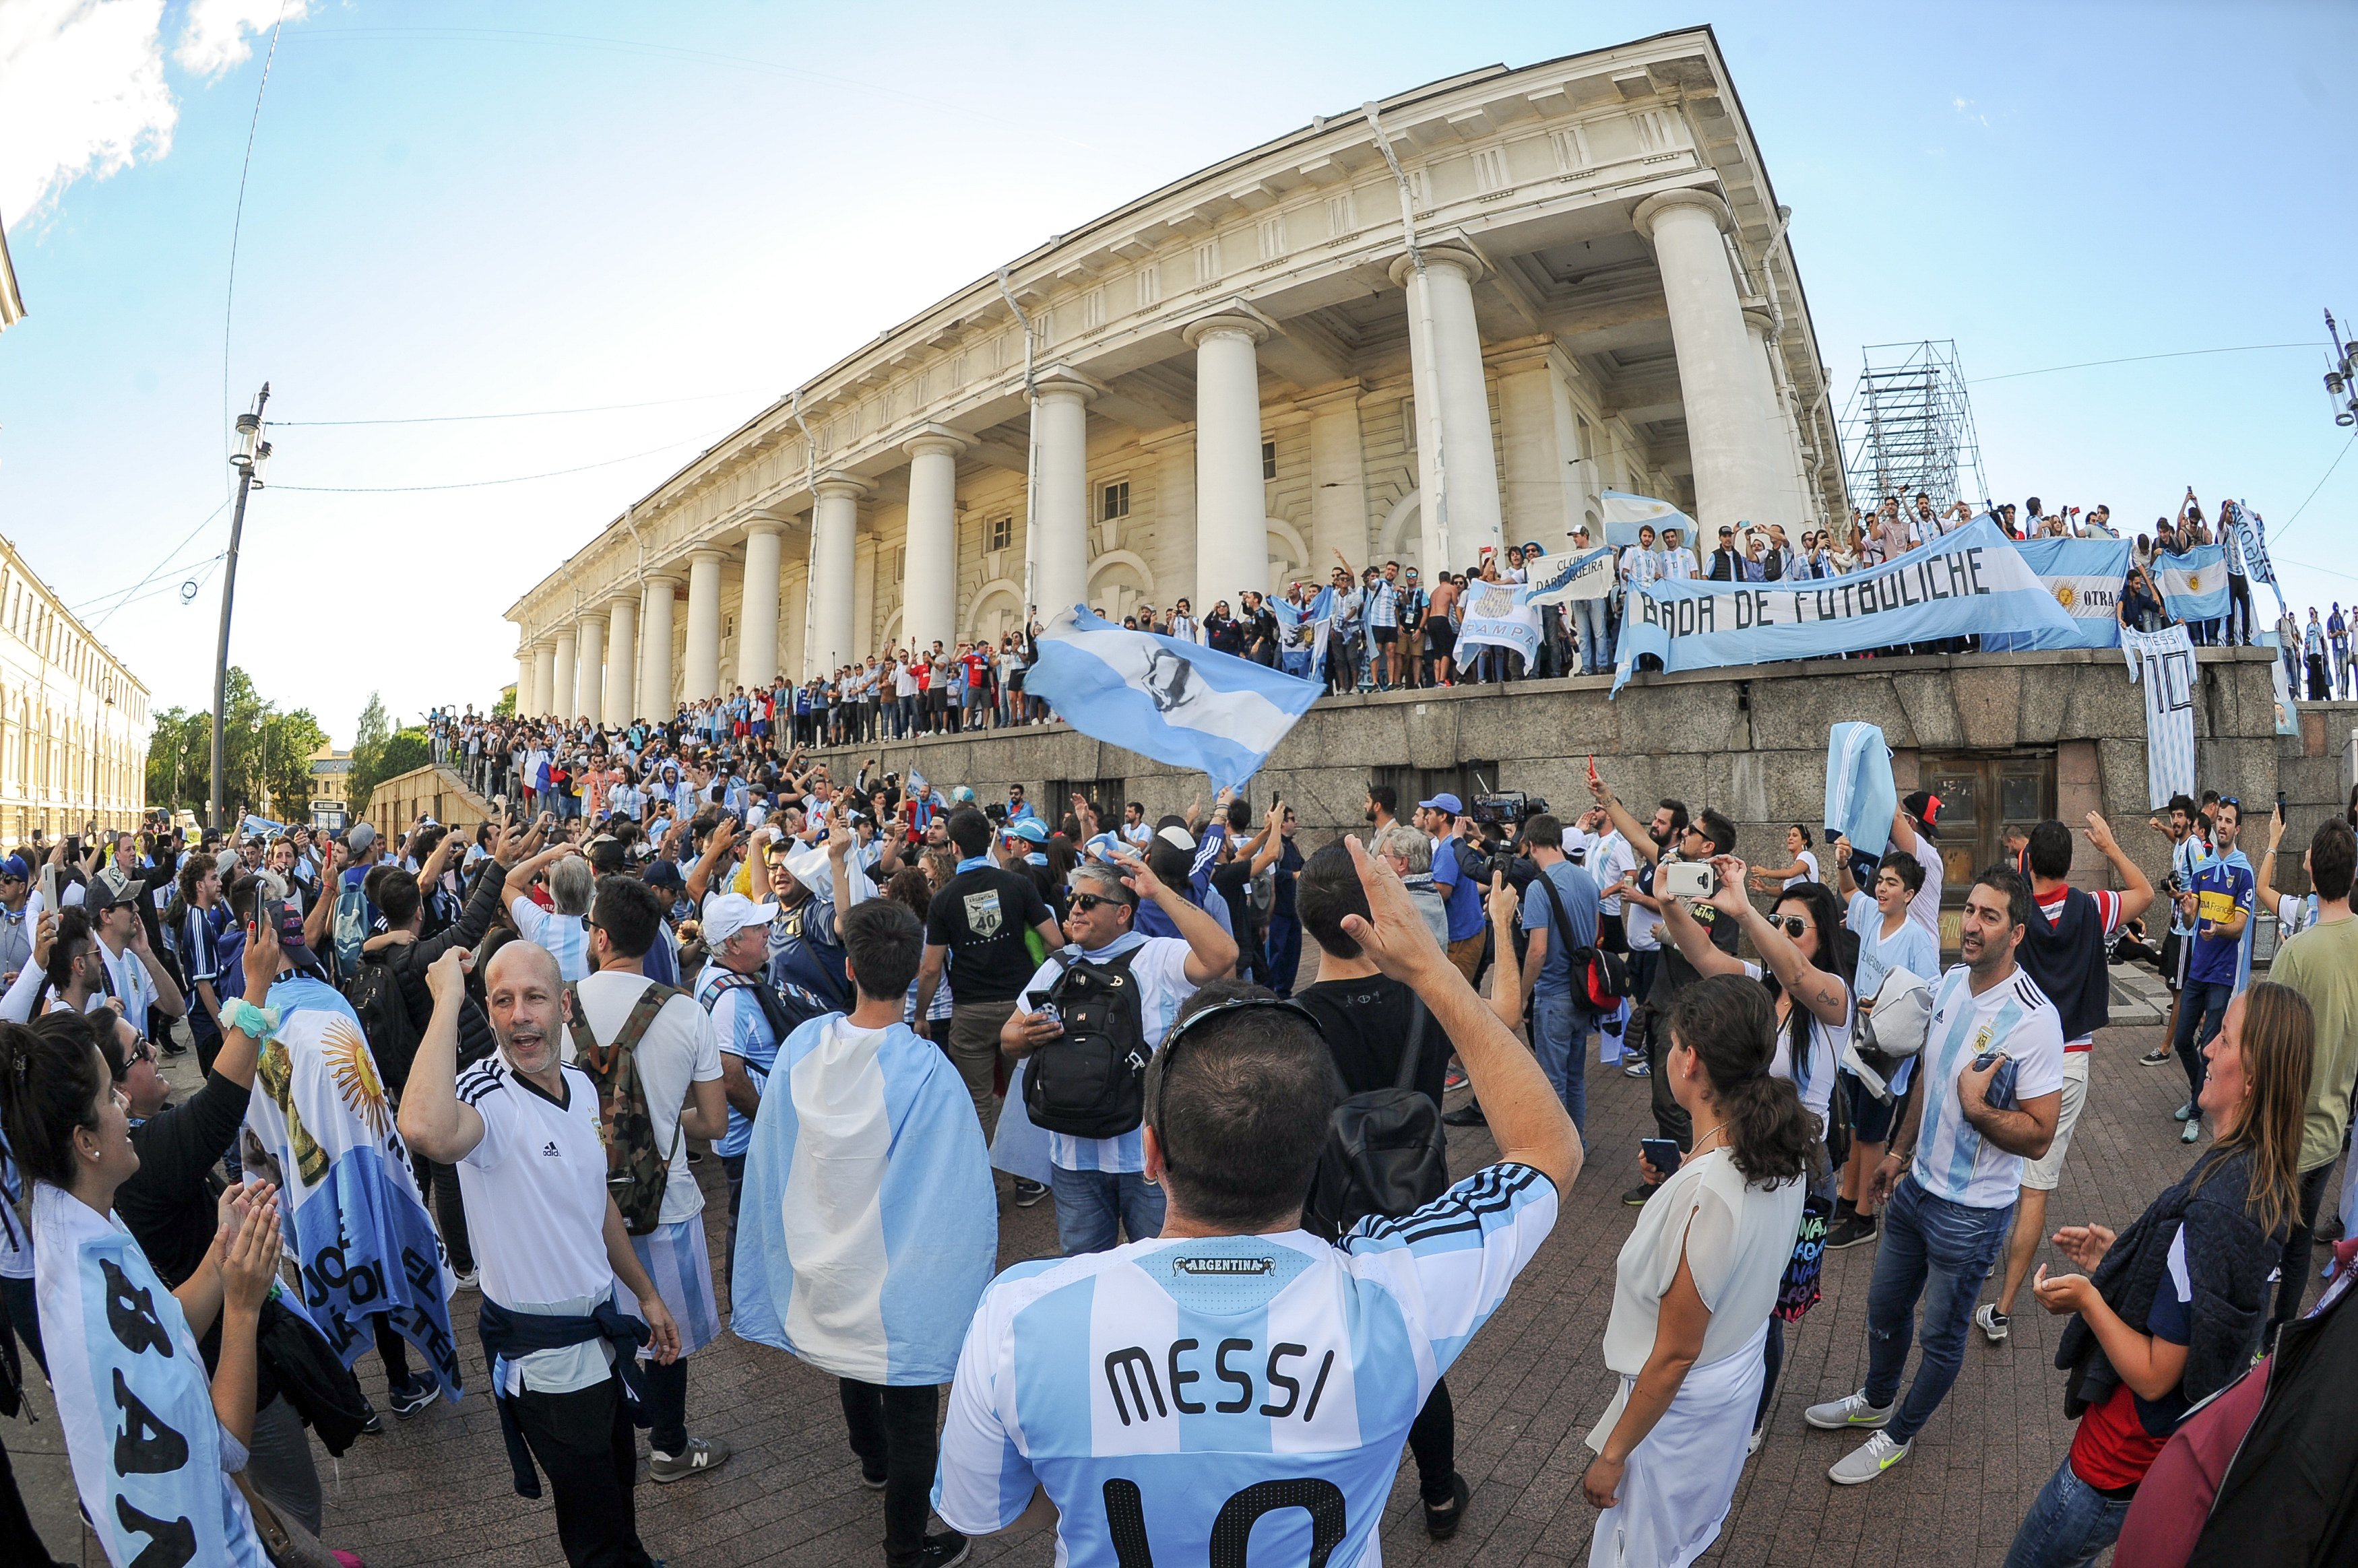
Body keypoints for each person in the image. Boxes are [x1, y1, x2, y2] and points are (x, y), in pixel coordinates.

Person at [932, 838, 1581, 1565]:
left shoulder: (1018, 1314)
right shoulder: (1394, 1297)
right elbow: (1547, 1151)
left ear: (1151, 1155)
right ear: (1317, 1154)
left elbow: (991, 1511)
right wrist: (1431, 970)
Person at [2001, 983, 2310, 1568]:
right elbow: (2200, 1295)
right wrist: (2123, 1255)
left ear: (2254, 1077)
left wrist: (2090, 1298)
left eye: (2225, 1038)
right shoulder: (2259, 1178)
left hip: (2115, 1459)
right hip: (2156, 1455)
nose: (2208, 1047)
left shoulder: (2220, 1206)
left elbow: (2153, 1375)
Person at [399, 942, 682, 1568]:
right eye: (503, 1001)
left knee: (618, 1484)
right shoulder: (487, 1098)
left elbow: (597, 1205)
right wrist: (447, 996)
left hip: (603, 1335)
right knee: (591, 1523)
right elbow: (422, 1128)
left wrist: (647, 1292)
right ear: (490, 1013)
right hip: (547, 1360)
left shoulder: (581, 1088)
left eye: (535, 997)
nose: (521, 1015)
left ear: (565, 1005)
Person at [732, 899, 996, 1568]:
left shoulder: (803, 1046)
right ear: (914, 974)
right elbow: (955, 1188)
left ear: (848, 967)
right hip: (897, 1263)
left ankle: (870, 1460)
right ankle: (904, 1548)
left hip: (827, 1253)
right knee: (912, 1413)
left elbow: (777, 1152)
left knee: (852, 1358)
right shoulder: (928, 1070)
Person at [1807, 867, 2064, 1484]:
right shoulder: (1949, 983)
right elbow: (1926, 1074)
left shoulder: (2035, 1020)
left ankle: (1897, 1435)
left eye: (1990, 916)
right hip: (1917, 1188)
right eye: (1969, 911)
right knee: (1884, 1309)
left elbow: (2040, 1132)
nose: (1971, 925)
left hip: (1973, 1215)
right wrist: (1896, 1153)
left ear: (2017, 931)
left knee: (1942, 1339)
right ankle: (1875, 1400)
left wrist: (1977, 1107)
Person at [7, 1006, 285, 1568]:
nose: (125, 1105)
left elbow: (161, 1326)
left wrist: (218, 1255)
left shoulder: (81, 1223)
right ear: (85, 1142)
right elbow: (225, 1447)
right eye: (111, 1097)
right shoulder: (94, 1297)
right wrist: (242, 1305)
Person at [1582, 977, 1812, 1567]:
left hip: (1681, 1406)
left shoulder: (1706, 1194)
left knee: (1642, 1549)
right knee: (1683, 1534)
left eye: (1673, 1043)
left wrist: (1613, 1453)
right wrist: (1682, 1175)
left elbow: (1675, 1354)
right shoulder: (1782, 1147)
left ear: (1690, 1061)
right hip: (1736, 1370)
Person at [568, 875, 732, 1484]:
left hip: (583, 1208)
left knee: (599, 1332)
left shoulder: (557, 1008)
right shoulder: (686, 1012)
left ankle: (608, 1451)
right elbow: (713, 1122)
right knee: (669, 1338)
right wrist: (661, 1118)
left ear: (601, 936)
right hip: (668, 1201)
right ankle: (669, 1446)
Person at [998, 851, 1237, 1253]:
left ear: (1123, 913)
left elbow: (1223, 955)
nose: (1074, 909)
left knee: (1160, 1267)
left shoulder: (1157, 956)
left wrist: (1159, 892)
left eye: (1087, 902)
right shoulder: (1057, 966)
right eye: (1071, 900)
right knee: (1085, 1272)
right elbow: (1007, 1037)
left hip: (1146, 1158)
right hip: (1073, 1155)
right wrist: (1028, 1035)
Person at [1978, 814, 2155, 1344]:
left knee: (1994, 1153)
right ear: (2072, 863)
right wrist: (2112, 845)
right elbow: (2146, 892)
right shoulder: (2093, 907)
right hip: (2067, 1059)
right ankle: (2004, 1309)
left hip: (2013, 1048)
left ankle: (1983, 1257)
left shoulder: (2017, 916)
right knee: (2035, 1186)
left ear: (2028, 861)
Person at [2257, 816, 2358, 1335]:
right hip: (2333, 1130)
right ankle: (2279, 1343)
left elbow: (2261, 1048)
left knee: (2259, 1249)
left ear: (2313, 870)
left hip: (2284, 1138)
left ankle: (2250, 1349)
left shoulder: (2296, 953)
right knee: (2296, 1250)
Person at [914, 809, 1061, 1142]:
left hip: (970, 1012)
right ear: (991, 842)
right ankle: (1026, 1181)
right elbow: (1055, 941)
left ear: (954, 848)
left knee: (977, 1103)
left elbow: (932, 968)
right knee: (1020, 1096)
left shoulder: (943, 899)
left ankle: (984, 1184)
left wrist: (921, 1015)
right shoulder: (1018, 884)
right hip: (1019, 1008)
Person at [1825, 846, 1939, 1249]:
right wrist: (1842, 864)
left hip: (1886, 1059)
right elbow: (1850, 891)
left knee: (1873, 1135)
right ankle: (1846, 1198)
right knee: (1855, 1127)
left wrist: (1887, 1003)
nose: (1883, 888)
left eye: (1893, 883)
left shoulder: (1917, 939)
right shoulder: (1872, 916)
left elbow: (1931, 993)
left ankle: (1865, 1217)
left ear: (1909, 894)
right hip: (1857, 1046)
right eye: (1882, 880)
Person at [2169, 797, 2252, 1144]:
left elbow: (2241, 925)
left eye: (2230, 822)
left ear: (2238, 829)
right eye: (2220, 820)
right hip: (2197, 970)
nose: (2223, 826)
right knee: (2181, 1039)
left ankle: (2197, 1111)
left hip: (2221, 974)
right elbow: (2192, 920)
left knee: (2209, 1043)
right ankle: (2196, 1091)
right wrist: (2188, 910)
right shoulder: (2202, 870)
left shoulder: (2243, 872)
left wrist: (2218, 929)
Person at [1515, 813, 1602, 1134]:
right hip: (1583, 992)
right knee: (1575, 1078)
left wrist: (1523, 994)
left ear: (1532, 845)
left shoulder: (1539, 888)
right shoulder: (1587, 880)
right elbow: (1593, 935)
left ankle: (1558, 1150)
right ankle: (1578, 1143)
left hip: (1553, 994)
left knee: (1553, 1081)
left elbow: (1537, 951)